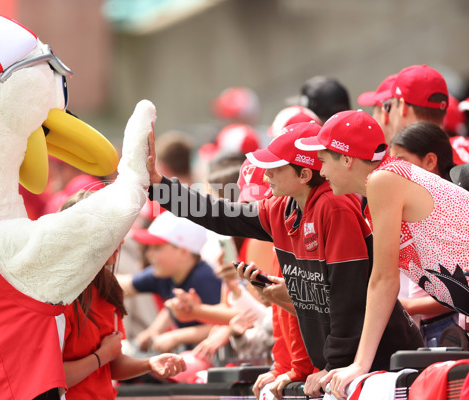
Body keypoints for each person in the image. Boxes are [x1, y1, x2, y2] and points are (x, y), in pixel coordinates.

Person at [146, 122, 423, 399]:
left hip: (381, 362)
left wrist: (333, 365)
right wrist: (160, 186)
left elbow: (347, 298)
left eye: (274, 167)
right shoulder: (281, 207)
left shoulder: (334, 207)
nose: (266, 175)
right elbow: (220, 214)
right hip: (344, 368)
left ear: (304, 174)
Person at [295, 109, 469, 398]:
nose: (321, 172)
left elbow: (384, 280)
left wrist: (359, 364)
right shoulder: (383, 182)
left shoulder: (383, 180)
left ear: (347, 159)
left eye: (323, 161)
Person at [59, 191, 186, 399]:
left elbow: (113, 364)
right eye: (113, 231)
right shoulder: (56, 295)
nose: (123, 241)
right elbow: (52, 377)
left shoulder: (108, 286)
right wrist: (101, 356)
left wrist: (149, 363)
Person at [389, 122, 459, 346]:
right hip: (425, 328)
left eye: (401, 161)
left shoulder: (449, 211)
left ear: (430, 161)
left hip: (447, 328)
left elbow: (461, 290)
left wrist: (408, 306)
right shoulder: (415, 208)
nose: (392, 172)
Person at [117, 211, 222, 353]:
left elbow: (222, 323)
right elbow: (124, 285)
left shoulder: (204, 278)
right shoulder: (166, 272)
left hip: (216, 355)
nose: (149, 254)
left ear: (183, 253)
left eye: (157, 248)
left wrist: (176, 337)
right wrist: (154, 330)